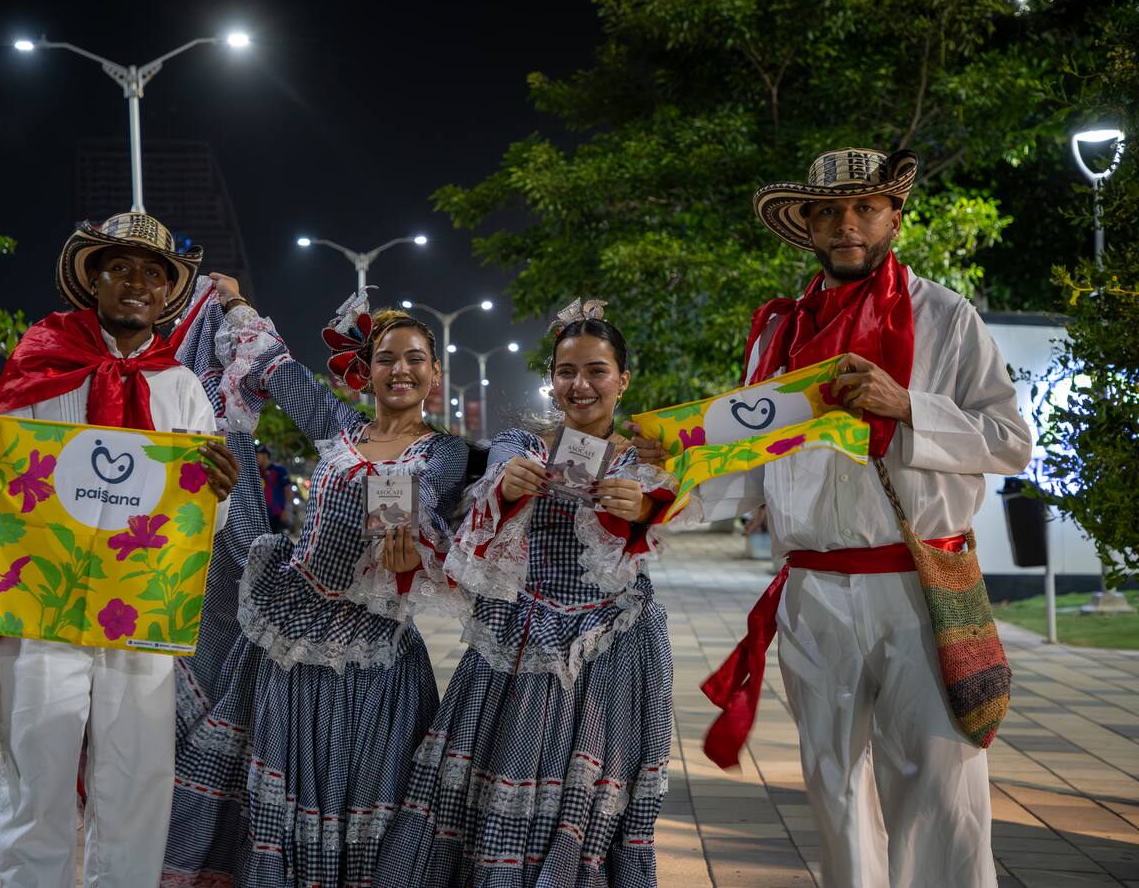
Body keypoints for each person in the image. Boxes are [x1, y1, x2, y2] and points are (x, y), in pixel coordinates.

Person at [637, 148, 1031, 888]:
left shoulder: (944, 314)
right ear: (807, 227)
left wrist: (907, 405)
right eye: (829, 212)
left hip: (921, 585)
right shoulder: (777, 335)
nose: (848, 225)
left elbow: (1010, 442)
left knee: (940, 791)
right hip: (812, 593)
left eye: (866, 208)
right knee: (834, 790)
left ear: (895, 217)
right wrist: (659, 495)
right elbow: (748, 465)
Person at [0, 212, 240, 888]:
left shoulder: (184, 389)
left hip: (139, 611)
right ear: (95, 279)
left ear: (169, 292)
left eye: (154, 272)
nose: (137, 282)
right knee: (37, 771)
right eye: (121, 267)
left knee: (138, 779)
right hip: (41, 608)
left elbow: (203, 519)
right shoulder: (41, 356)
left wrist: (219, 493)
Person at [161, 283, 468, 887]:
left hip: (376, 658)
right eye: (386, 358)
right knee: (283, 795)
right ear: (366, 371)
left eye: (414, 360)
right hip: (289, 642)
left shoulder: (445, 453)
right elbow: (277, 369)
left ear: (434, 374)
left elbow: (431, 506)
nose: (400, 370)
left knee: (364, 798)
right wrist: (237, 304)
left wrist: (412, 545)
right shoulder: (339, 430)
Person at [375, 300, 687, 887]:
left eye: (597, 370)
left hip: (611, 650)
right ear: (552, 380)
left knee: (587, 798)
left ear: (623, 380)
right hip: (517, 644)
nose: (581, 384)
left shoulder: (649, 456)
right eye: (567, 371)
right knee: (495, 790)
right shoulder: (519, 444)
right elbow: (481, 529)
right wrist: (510, 488)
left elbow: (669, 521)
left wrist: (644, 508)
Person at [256, 446, 292, 532]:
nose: (255, 458)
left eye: (257, 456)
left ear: (265, 455)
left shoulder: (279, 470)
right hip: (260, 514)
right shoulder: (256, 471)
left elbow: (288, 490)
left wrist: (286, 509)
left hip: (276, 513)